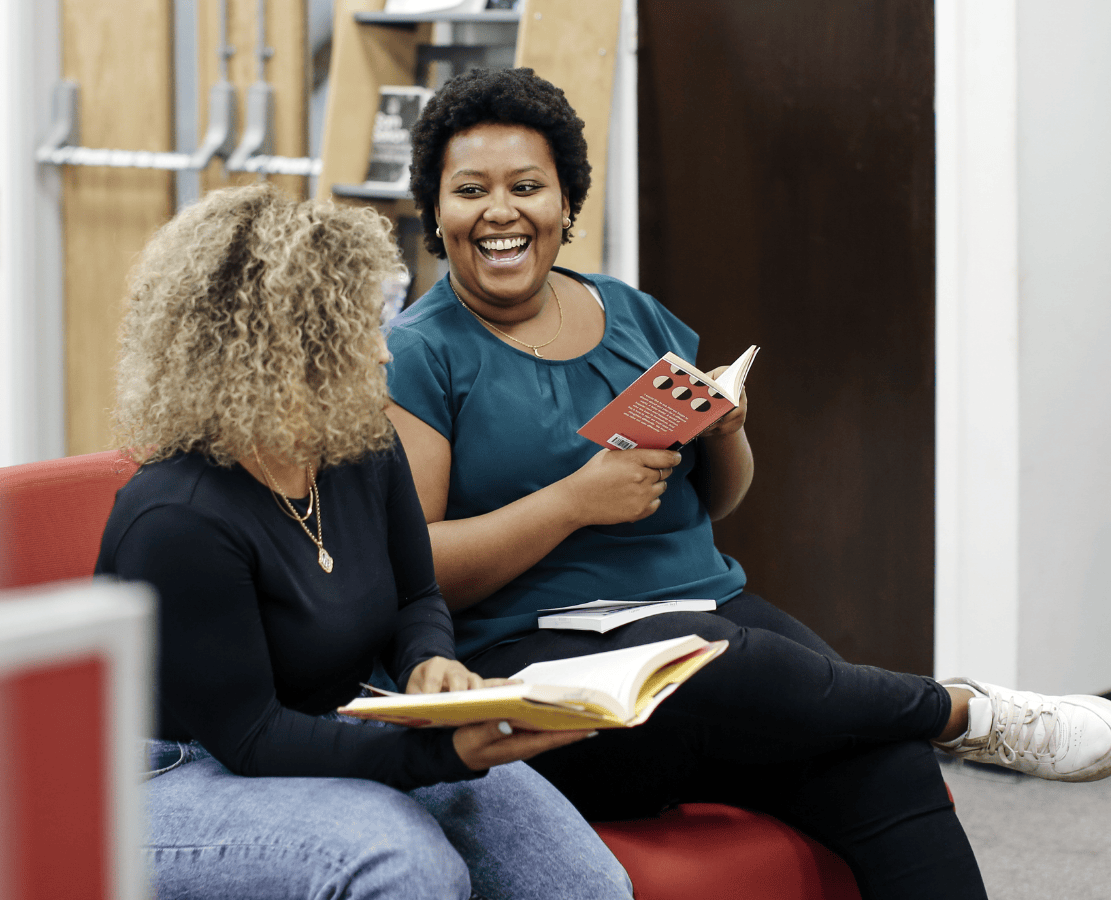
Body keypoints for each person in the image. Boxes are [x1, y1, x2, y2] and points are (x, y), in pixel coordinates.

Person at [383, 67, 1111, 900]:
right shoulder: (420, 352)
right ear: (437, 212)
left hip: (708, 613)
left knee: (878, 755)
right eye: (470, 189)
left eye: (528, 187)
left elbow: (717, 499)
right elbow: (417, 566)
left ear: (565, 201)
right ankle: (968, 714)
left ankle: (932, 725)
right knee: (723, 664)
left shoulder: (633, 314)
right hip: (541, 661)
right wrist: (573, 504)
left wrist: (724, 434)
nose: (501, 211)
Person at [95, 183, 634, 900]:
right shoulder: (176, 518)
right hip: (167, 776)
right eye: (357, 333)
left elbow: (416, 595)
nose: (385, 353)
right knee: (401, 863)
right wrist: (437, 751)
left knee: (584, 883)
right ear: (275, 356)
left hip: (327, 723)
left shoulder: (358, 443)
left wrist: (429, 664)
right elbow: (251, 738)